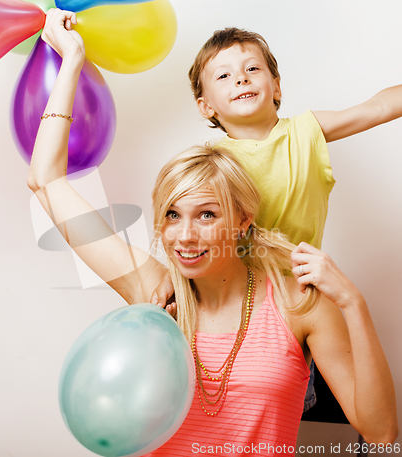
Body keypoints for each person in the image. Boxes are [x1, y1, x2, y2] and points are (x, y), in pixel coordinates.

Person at [27, 9, 398, 455]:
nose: (184, 235)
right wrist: (72, 59)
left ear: (244, 219)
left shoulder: (302, 304)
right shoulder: (158, 290)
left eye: (206, 215)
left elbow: (381, 436)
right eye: (170, 215)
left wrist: (353, 302)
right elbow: (47, 181)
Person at [153, 27, 402, 412]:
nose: (241, 78)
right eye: (224, 75)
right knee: (214, 406)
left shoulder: (307, 132)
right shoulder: (212, 161)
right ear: (206, 107)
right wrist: (176, 271)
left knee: (270, 409)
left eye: (252, 68)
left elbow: (378, 107)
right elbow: (186, 228)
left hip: (292, 312)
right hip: (228, 305)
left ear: (277, 87)